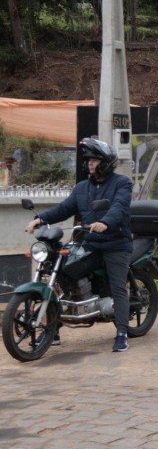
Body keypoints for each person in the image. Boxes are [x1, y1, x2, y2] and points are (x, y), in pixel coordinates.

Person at [26, 138, 133, 353]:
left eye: (94, 160)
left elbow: (119, 207)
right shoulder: (82, 188)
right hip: (90, 243)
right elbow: (64, 208)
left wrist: (104, 223)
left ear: (106, 162)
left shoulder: (122, 183)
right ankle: (52, 328)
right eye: (88, 160)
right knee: (63, 270)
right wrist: (40, 219)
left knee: (118, 286)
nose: (90, 164)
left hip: (115, 244)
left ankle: (122, 332)